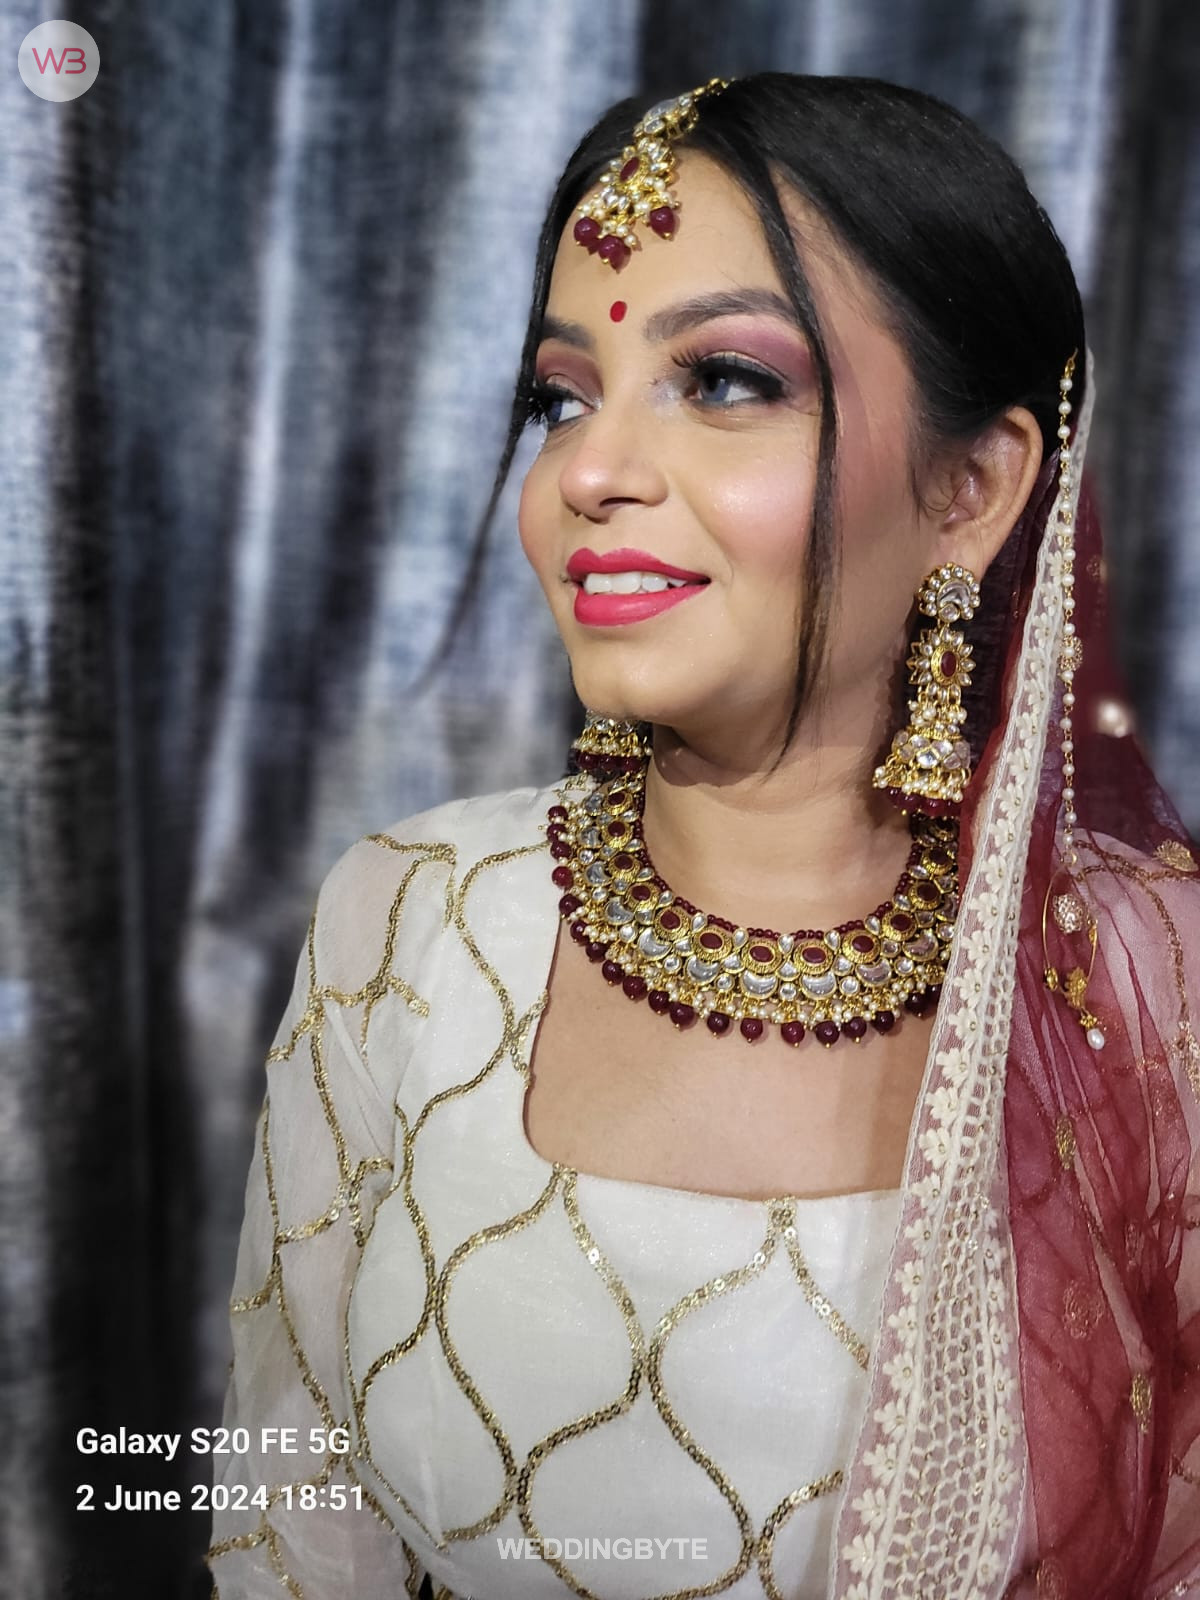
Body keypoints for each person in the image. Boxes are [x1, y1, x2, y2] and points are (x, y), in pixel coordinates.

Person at [205, 73, 1200, 1600]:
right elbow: (292, 1514)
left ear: (973, 489)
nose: (589, 472)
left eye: (726, 380)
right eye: (560, 397)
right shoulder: (412, 922)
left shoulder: (1148, 986)